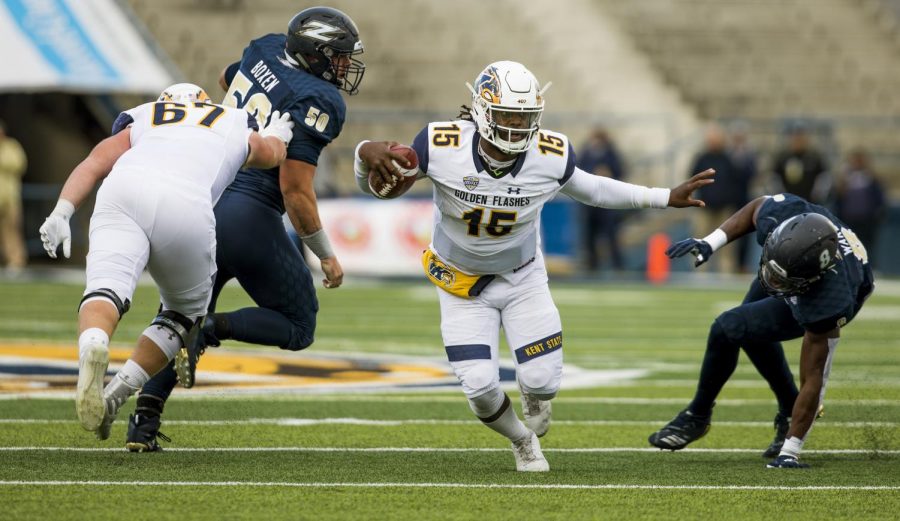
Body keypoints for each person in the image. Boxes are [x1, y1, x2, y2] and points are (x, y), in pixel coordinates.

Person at [354, 61, 715, 472]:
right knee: (480, 387)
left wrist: (663, 196)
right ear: (482, 110)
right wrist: (364, 153)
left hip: (522, 275)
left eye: (525, 118)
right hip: (459, 282)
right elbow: (380, 184)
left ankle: (535, 395)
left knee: (543, 380)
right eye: (507, 115)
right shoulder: (441, 144)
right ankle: (521, 440)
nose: (516, 127)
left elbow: (593, 188)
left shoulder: (549, 154)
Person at [124, 6, 365, 452]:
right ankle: (212, 328)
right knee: (298, 324)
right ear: (314, 54)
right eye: (337, 56)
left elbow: (224, 79)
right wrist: (326, 254)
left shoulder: (266, 47)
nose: (344, 66)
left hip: (201, 199)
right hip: (247, 214)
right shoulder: (320, 99)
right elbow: (295, 191)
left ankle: (143, 423)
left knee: (176, 319)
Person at [37, 83, 294, 440]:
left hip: (123, 190)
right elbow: (268, 154)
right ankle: (116, 394)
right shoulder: (232, 119)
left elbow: (96, 161)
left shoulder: (146, 116)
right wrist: (278, 136)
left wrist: (62, 211)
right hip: (184, 203)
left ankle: (92, 344)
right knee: (182, 314)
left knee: (106, 287)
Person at [648, 193, 874, 468]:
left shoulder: (828, 301)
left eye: (780, 280)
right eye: (771, 273)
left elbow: (815, 378)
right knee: (743, 330)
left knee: (729, 326)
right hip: (793, 264)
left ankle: (697, 414)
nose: (771, 282)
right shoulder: (784, 215)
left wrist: (790, 451)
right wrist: (711, 242)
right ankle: (778, 408)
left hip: (831, 288)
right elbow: (757, 207)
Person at [687, 124, 745, 273]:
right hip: (704, 207)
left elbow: (737, 180)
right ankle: (699, 272)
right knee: (700, 240)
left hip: (724, 208)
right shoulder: (702, 159)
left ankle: (726, 274)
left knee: (726, 244)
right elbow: (691, 179)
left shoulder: (728, 159)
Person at [577, 128, 626, 272]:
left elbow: (620, 171)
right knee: (590, 235)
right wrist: (594, 174)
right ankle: (592, 266)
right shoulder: (586, 153)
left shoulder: (611, 153)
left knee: (611, 235)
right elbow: (578, 171)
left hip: (608, 202)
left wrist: (608, 173)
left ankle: (618, 266)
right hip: (590, 202)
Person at [834, 148, 886, 267]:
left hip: (867, 219)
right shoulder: (845, 178)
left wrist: (877, 214)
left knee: (867, 246)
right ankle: (852, 269)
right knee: (849, 247)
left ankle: (870, 269)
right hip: (849, 219)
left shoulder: (871, 178)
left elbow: (878, 198)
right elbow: (838, 198)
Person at [771, 124, 830, 204]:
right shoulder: (783, 156)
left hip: (810, 201)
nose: (798, 141)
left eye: (801, 138)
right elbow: (775, 177)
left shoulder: (814, 157)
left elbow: (823, 176)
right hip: (787, 201)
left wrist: (818, 193)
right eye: (796, 138)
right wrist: (780, 194)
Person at [0, 121, 28, 270]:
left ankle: (16, 262)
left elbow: (19, 164)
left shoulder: (12, 146)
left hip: (10, 198)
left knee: (12, 230)